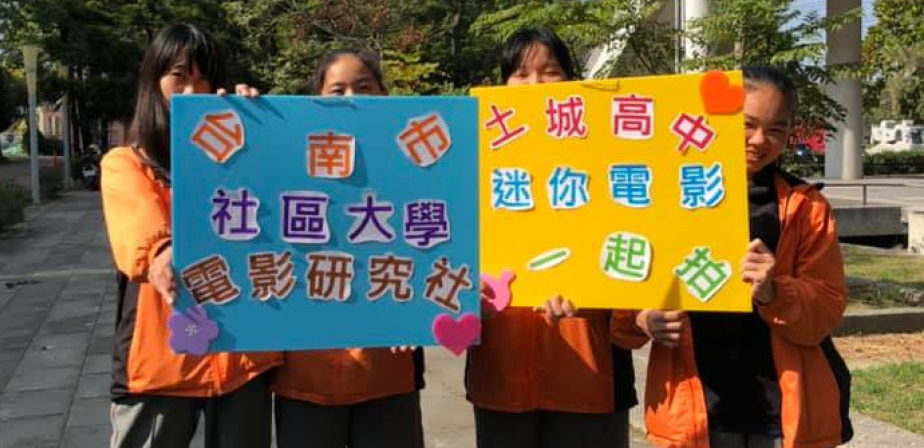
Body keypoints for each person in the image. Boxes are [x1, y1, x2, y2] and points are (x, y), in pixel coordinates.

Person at [615, 65, 852, 448]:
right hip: (695, 405)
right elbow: (623, 291)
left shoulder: (806, 207)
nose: (759, 140)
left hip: (780, 409)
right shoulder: (662, 195)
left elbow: (826, 307)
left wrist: (774, 291)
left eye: (775, 129)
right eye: (747, 124)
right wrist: (642, 318)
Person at [101, 23, 281, 448]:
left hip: (243, 358)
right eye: (178, 77)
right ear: (154, 81)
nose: (192, 92)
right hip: (160, 364)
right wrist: (162, 253)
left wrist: (256, 129)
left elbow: (283, 201)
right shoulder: (126, 163)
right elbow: (142, 225)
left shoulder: (239, 157)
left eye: (204, 79)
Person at [466, 27, 638, 448]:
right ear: (502, 84)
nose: (535, 84)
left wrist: (596, 298)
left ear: (571, 80)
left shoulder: (610, 160)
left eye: (550, 72)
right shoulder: (474, 162)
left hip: (590, 376)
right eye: (521, 73)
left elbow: (637, 252)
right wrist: (465, 303)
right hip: (501, 376)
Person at [270, 49, 426, 448]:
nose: (351, 98)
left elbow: (436, 247)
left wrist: (424, 311)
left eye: (364, 87)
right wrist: (239, 112)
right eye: (337, 90)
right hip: (306, 373)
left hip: (387, 370)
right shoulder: (287, 163)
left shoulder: (414, 166)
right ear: (317, 99)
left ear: (383, 95)